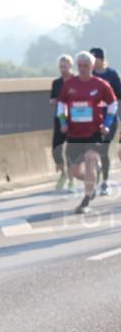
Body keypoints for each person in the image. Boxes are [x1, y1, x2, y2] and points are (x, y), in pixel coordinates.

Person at [57, 51, 118, 214]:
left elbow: (113, 105)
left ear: (92, 66)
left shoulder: (100, 84)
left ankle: (86, 200)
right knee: (76, 171)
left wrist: (107, 123)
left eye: (86, 66)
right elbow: (61, 104)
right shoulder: (69, 84)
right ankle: (92, 181)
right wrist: (63, 121)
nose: (82, 69)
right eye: (80, 66)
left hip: (94, 132)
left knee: (90, 159)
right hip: (75, 133)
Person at [91, 47, 121, 196]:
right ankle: (96, 172)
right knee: (93, 151)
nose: (91, 62)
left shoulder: (112, 74)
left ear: (101, 59)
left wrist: (106, 98)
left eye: (94, 59)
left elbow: (119, 96)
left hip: (110, 119)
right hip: (92, 121)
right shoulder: (89, 76)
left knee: (103, 150)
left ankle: (105, 182)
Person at [50, 54, 74, 191]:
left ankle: (71, 181)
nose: (62, 69)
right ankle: (63, 173)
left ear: (70, 66)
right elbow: (52, 99)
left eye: (65, 66)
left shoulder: (77, 81)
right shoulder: (56, 83)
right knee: (56, 150)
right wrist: (57, 100)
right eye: (60, 67)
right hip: (59, 118)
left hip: (74, 119)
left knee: (71, 151)